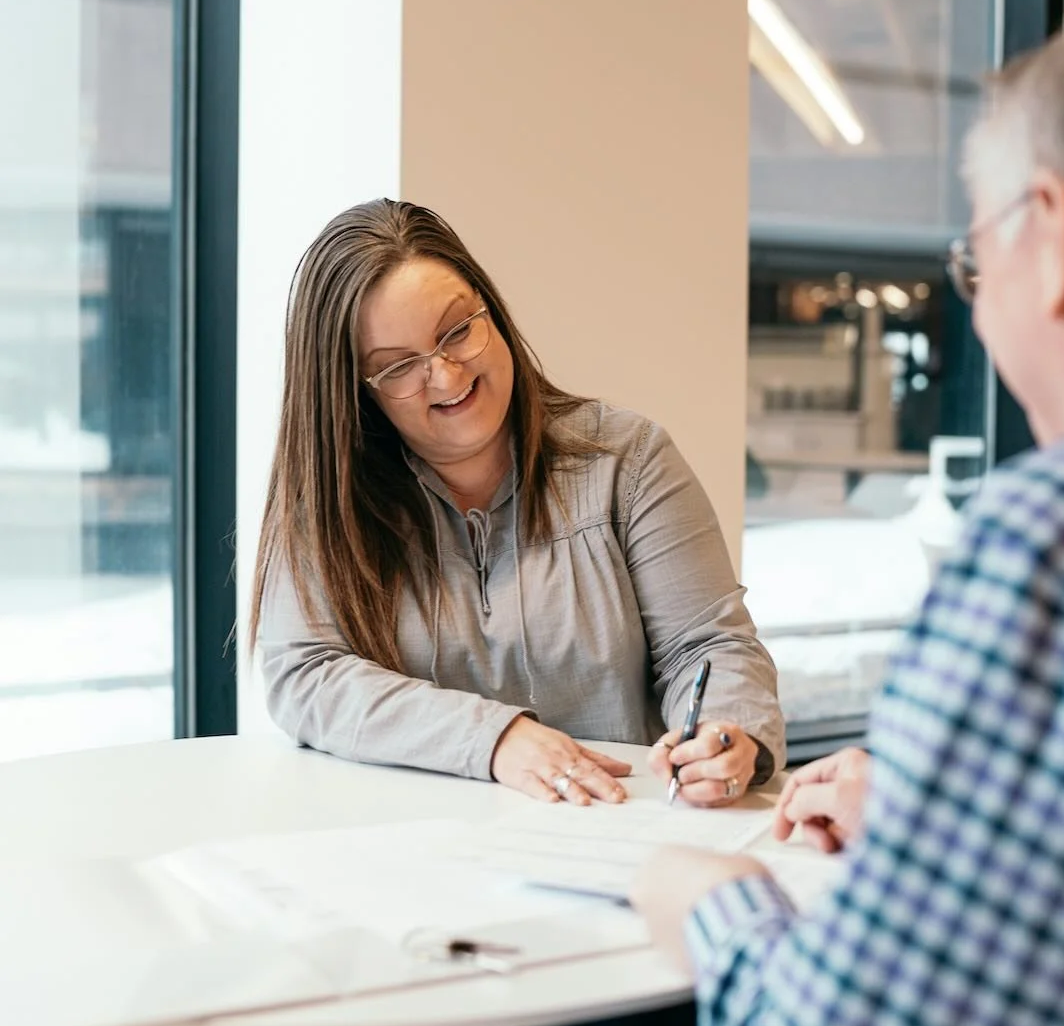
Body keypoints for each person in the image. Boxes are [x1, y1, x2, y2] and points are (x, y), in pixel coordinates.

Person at [634, 8, 1064, 1026]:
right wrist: (939, 811)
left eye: (973, 263)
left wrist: (716, 907)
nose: (978, 316)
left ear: (1054, 231)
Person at [249, 199, 784, 807]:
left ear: (491, 311)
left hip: (614, 829)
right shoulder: (328, 499)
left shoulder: (627, 460)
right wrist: (496, 740)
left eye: (457, 331)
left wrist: (728, 733)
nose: (448, 376)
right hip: (408, 849)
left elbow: (710, 645)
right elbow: (307, 673)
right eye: (398, 366)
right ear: (354, 392)